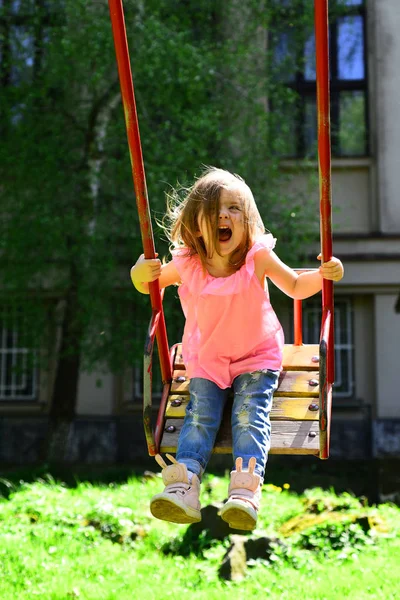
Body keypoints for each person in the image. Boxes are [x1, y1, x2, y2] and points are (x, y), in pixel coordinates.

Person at [130, 167, 344, 531]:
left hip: (256, 356)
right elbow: (147, 284)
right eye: (214, 210)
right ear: (196, 225)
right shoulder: (187, 264)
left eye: (234, 209)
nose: (224, 216)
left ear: (248, 222)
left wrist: (324, 274)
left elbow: (293, 284)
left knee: (249, 414)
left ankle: (244, 491)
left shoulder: (256, 258)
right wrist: (140, 271)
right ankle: (186, 486)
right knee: (199, 416)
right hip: (207, 359)